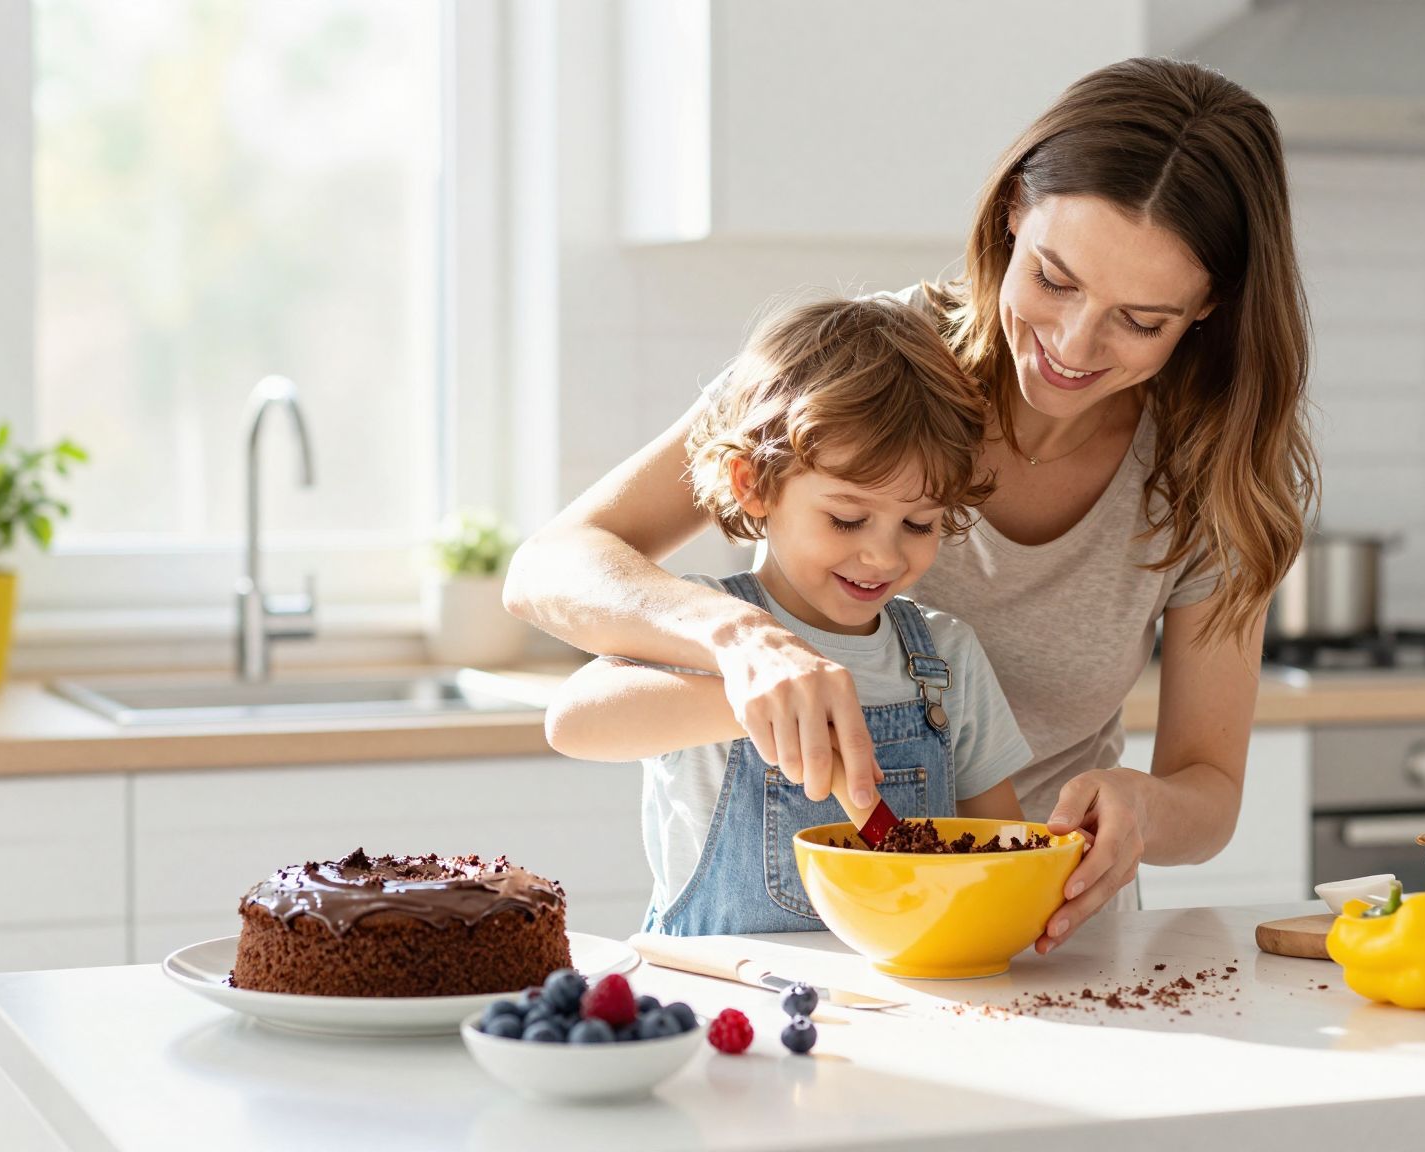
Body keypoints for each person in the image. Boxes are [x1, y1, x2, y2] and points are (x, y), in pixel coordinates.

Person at [509, 57, 1315, 952]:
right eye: (1053, 278)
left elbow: (1209, 790)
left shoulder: (1211, 466)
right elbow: (550, 568)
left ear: (1208, 309)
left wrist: (1148, 809)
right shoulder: (869, 369)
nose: (1073, 346)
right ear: (1012, 213)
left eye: (1141, 321)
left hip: (1043, 944)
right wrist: (741, 647)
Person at [545, 296, 1033, 935]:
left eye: (919, 523)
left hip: (900, 1003)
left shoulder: (945, 658)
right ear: (755, 485)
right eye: (847, 518)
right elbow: (572, 722)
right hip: (722, 1001)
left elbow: (1002, 856)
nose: (882, 553)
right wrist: (749, 704)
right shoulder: (709, 627)